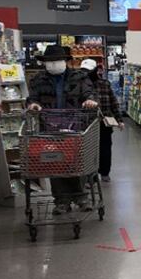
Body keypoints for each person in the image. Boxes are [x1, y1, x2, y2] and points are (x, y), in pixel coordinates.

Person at [26, 45, 98, 214]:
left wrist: (89, 101)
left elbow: (89, 93)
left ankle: (81, 196)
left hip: (75, 126)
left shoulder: (80, 77)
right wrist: (33, 105)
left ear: (65, 61)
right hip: (50, 128)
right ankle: (61, 200)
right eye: (49, 61)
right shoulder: (38, 80)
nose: (53, 64)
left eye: (56, 61)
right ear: (44, 63)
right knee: (54, 162)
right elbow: (32, 99)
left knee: (77, 161)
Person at [79, 58, 122, 182]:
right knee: (88, 149)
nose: (85, 74)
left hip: (104, 121)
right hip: (86, 123)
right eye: (83, 71)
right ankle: (90, 174)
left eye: (88, 71)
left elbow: (113, 102)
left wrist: (119, 119)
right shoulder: (79, 85)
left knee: (105, 147)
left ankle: (104, 172)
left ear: (95, 71)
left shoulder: (105, 84)